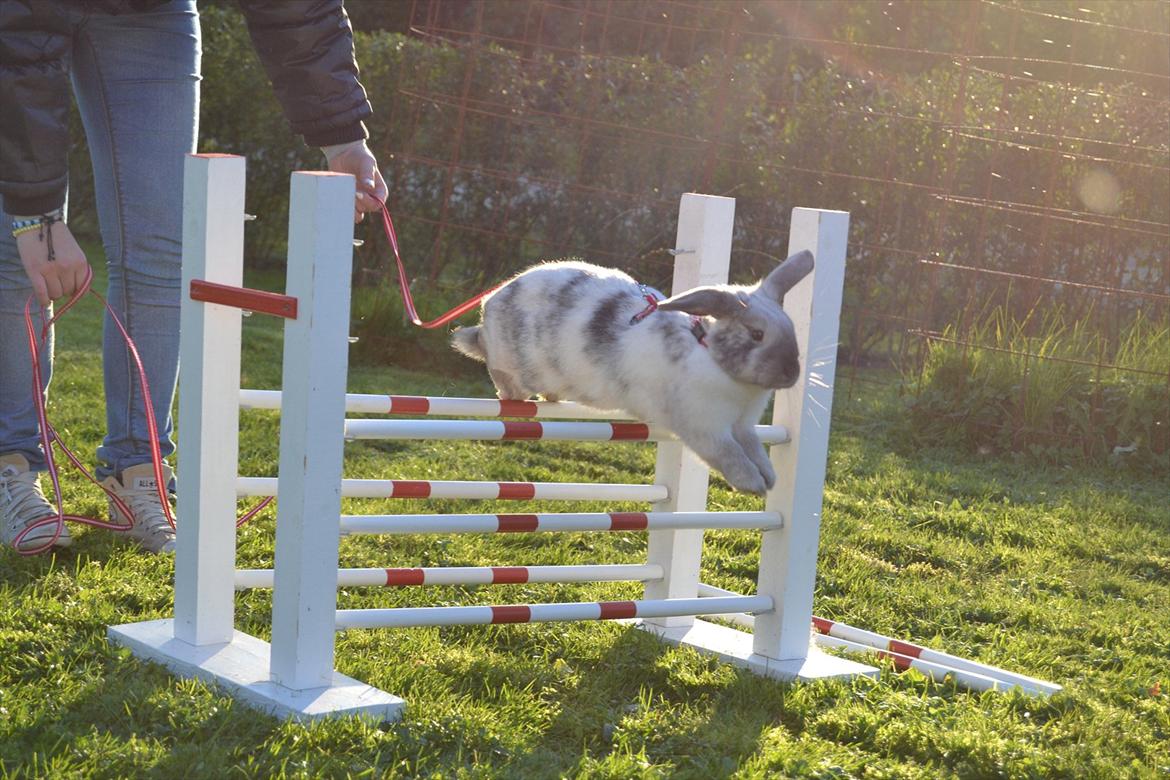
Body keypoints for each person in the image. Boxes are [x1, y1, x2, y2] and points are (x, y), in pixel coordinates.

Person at [0, 0, 388, 554]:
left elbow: (298, 8)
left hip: (150, 15)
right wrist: (35, 215)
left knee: (159, 246)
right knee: (13, 248)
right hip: (20, 13)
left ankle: (137, 471)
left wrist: (344, 136)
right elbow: (16, 58)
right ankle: (9, 464)